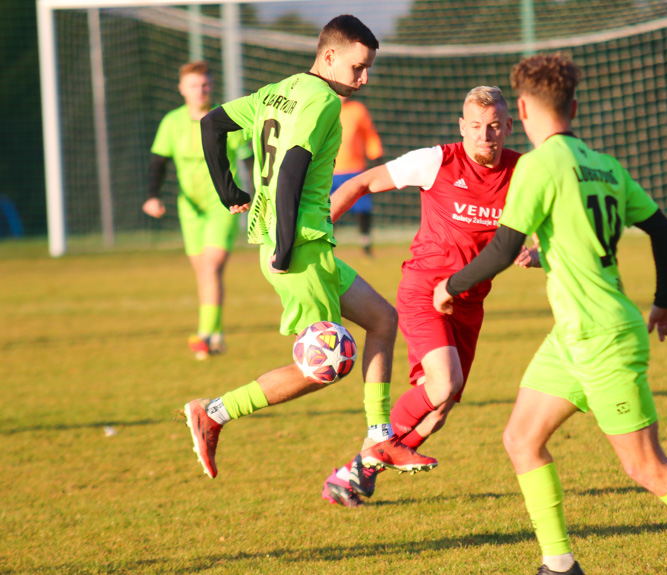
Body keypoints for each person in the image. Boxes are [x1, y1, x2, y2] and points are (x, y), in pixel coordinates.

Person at [433, 54, 667, 575]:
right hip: (574, 335)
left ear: (520, 109)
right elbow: (661, 229)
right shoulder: (604, 165)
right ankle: (559, 564)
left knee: (644, 466)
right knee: (521, 439)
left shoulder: (537, 166)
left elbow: (501, 249)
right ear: (575, 106)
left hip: (602, 338)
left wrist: (450, 286)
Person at [182, 15, 436, 482]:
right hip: (298, 248)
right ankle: (214, 411)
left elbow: (212, 125)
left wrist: (229, 192)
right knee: (326, 363)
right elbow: (293, 169)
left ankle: (379, 437)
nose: (365, 78)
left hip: (306, 246)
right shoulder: (322, 102)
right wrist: (283, 241)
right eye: (359, 68)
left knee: (382, 319)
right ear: (330, 55)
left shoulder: (278, 89)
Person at [320, 86, 525, 507]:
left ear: (508, 127)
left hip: (469, 302)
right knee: (443, 382)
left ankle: (354, 472)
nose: (484, 136)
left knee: (438, 410)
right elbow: (362, 181)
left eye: (493, 127)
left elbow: (546, 242)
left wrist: (537, 254)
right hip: (424, 292)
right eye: (475, 127)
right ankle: (380, 449)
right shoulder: (438, 160)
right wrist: (316, 233)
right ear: (461, 128)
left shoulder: (523, 173)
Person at [143, 61, 251, 360]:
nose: (200, 90)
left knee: (211, 268)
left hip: (222, 205)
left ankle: (204, 335)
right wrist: (152, 196)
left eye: (204, 85)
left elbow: (248, 157)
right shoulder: (172, 122)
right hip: (189, 207)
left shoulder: (227, 118)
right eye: (193, 85)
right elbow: (158, 162)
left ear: (211, 86)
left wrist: (254, 193)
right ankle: (216, 335)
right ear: (182, 89)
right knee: (204, 273)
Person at [331, 95, 383, 256]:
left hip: (355, 169)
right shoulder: (324, 109)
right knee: (329, 210)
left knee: (362, 208)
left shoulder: (357, 109)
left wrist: (376, 155)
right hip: (328, 171)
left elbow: (370, 134)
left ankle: (366, 243)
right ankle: (326, 244)